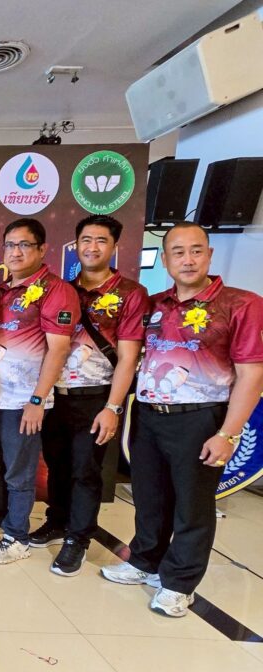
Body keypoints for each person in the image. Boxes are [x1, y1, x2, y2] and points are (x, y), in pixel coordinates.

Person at [102, 222, 263, 617]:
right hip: (149, 415)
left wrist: (228, 433)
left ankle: (179, 583)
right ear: (166, 260)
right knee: (149, 497)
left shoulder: (241, 304)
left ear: (209, 254)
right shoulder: (155, 305)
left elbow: (252, 375)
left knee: (192, 505)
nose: (187, 260)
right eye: (178, 252)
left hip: (200, 419)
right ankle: (145, 561)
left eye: (195, 251)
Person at [39, 216, 149, 575]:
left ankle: (78, 539)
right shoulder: (62, 290)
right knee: (56, 463)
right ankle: (57, 521)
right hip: (55, 395)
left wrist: (113, 407)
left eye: (101, 240)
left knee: (85, 470)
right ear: (76, 245)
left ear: (114, 246)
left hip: (95, 396)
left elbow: (129, 357)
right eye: (86, 240)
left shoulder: (130, 294)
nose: (92, 247)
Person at [0, 218, 78, 564]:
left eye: (24, 245)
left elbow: (59, 349)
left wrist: (37, 399)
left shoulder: (55, 290)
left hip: (23, 401)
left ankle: (17, 537)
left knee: (19, 471)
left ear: (42, 249)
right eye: (10, 245)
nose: (15, 252)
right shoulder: (2, 292)